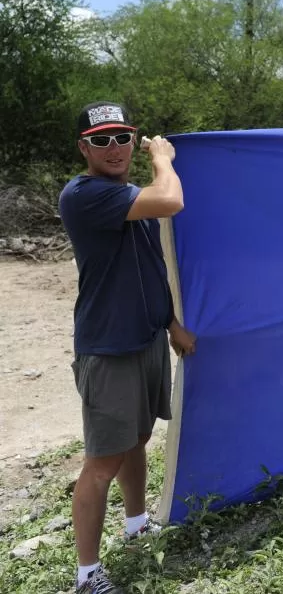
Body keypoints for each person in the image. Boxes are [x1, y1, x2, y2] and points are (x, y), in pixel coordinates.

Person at [58, 101, 197, 594]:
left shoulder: (125, 195)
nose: (113, 148)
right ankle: (87, 576)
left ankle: (136, 525)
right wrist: (163, 158)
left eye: (121, 138)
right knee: (102, 462)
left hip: (144, 339)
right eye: (101, 140)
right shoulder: (85, 195)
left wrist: (170, 323)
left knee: (135, 442)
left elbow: (146, 268)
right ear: (84, 148)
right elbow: (172, 201)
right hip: (109, 349)